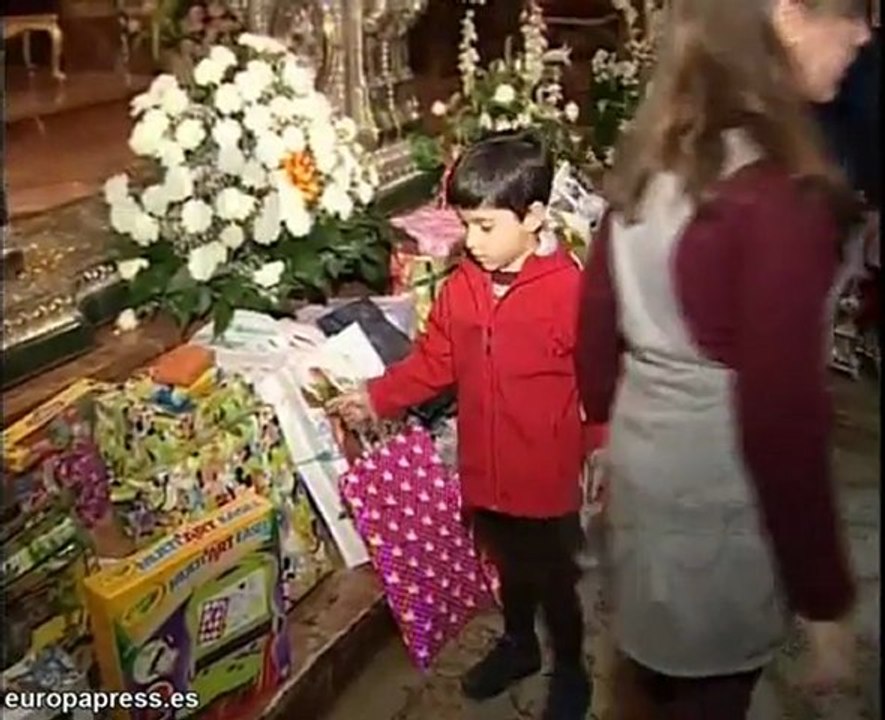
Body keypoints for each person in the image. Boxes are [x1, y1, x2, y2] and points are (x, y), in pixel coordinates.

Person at [574, 1, 869, 718]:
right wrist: (823, 600)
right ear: (788, 17)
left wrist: (607, 434)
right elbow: (780, 421)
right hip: (716, 501)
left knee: (646, 677)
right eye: (850, 11)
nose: (862, 32)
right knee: (708, 693)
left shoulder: (654, 158)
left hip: (644, 473)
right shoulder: (774, 199)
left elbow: (594, 328)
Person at [333, 131, 595, 720]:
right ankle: (518, 644)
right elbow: (435, 362)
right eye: (466, 226)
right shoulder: (461, 288)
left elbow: (602, 378)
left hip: (544, 473)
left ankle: (572, 666)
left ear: (533, 217)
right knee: (508, 563)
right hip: (483, 469)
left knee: (555, 580)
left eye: (485, 227)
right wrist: (377, 397)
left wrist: (601, 448)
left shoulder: (570, 292)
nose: (472, 243)